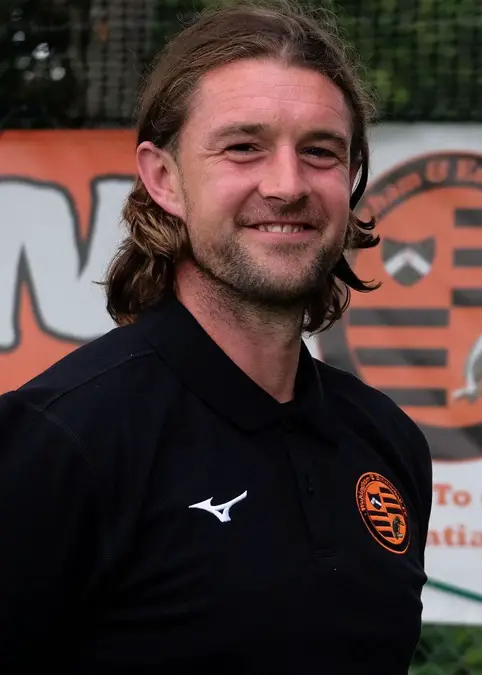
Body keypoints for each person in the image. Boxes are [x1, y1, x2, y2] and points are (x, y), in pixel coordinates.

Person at [0, 1, 432, 672]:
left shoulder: (388, 441)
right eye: (243, 147)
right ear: (164, 178)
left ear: (349, 182)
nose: (287, 185)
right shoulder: (61, 439)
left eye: (320, 152)